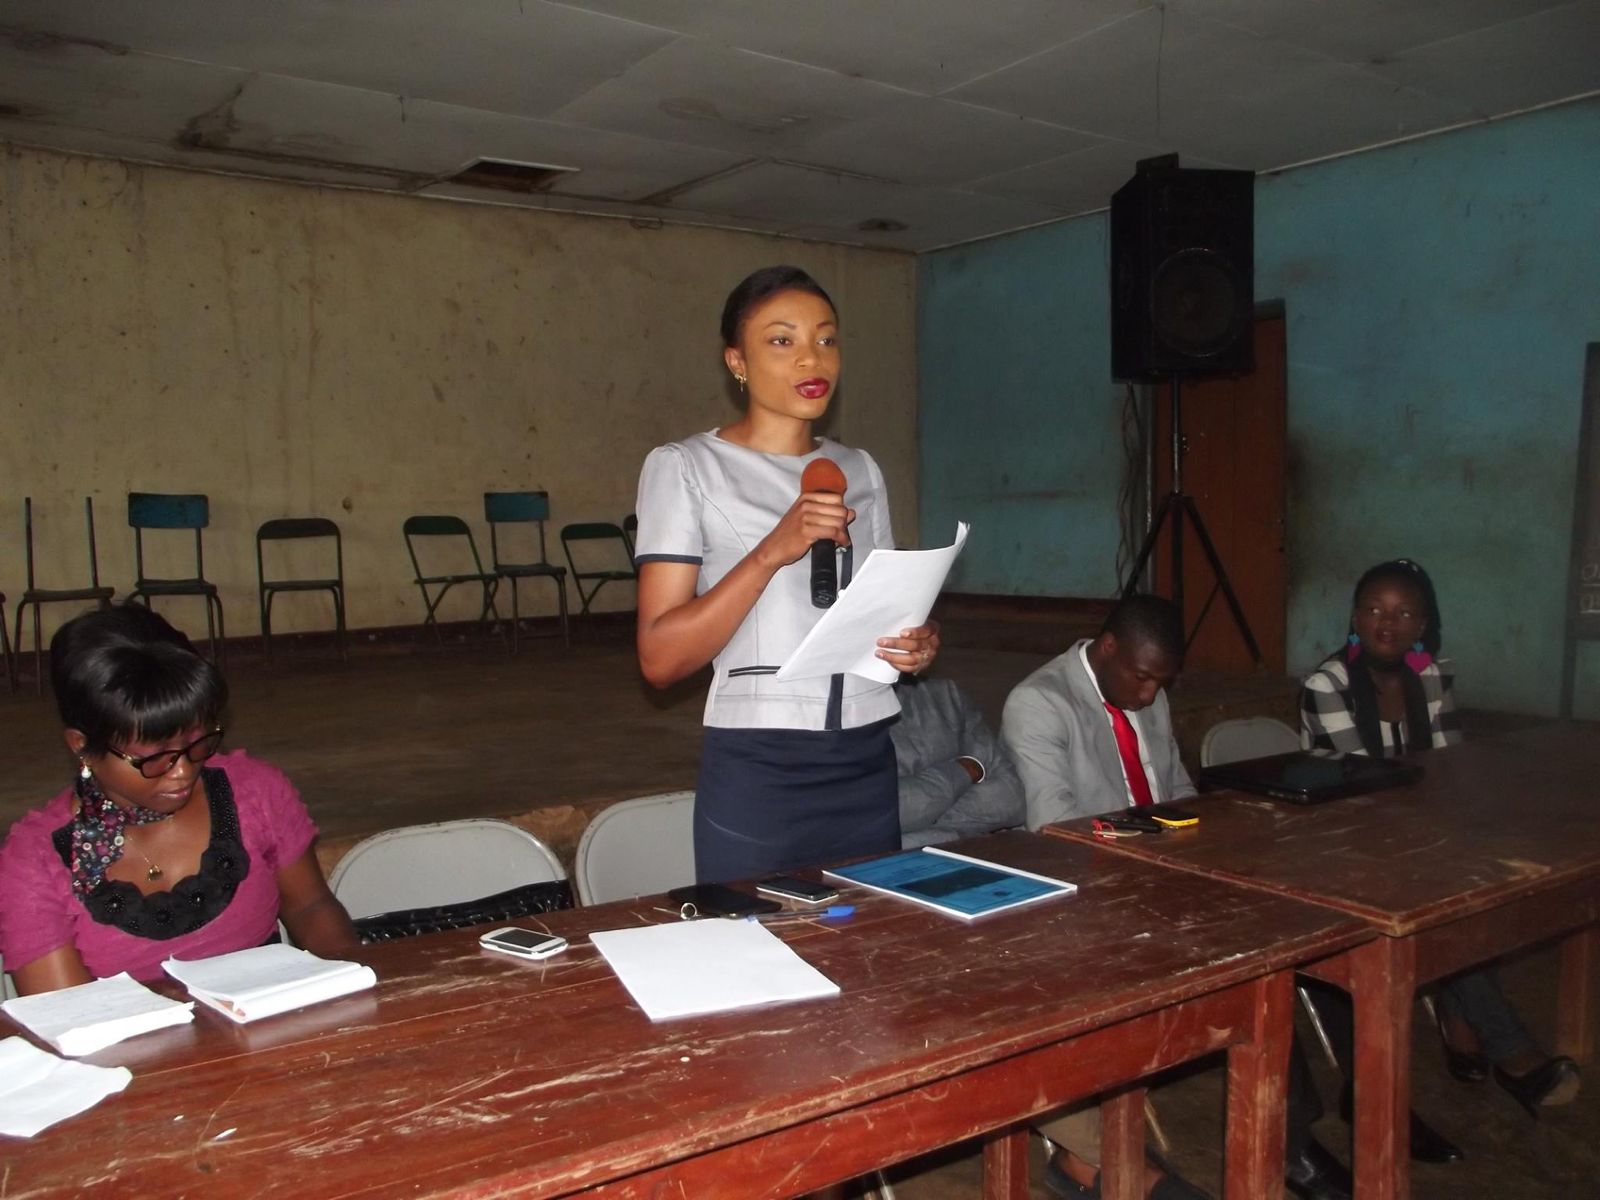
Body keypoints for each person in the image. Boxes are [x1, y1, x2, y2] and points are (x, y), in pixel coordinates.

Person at [633, 265, 940, 884]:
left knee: (872, 938)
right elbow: (660, 659)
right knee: (759, 937)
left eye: (826, 339)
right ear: (736, 361)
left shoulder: (860, 469)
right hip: (763, 764)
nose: (811, 358)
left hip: (867, 755)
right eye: (782, 340)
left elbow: (885, 610)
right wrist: (772, 550)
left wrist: (917, 644)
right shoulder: (687, 468)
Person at [1301, 559, 1580, 1118]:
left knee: (1480, 876)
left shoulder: (1429, 674)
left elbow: (1452, 766)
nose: (1387, 623)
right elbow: (1365, 782)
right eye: (1374, 610)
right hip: (1340, 842)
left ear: (1423, 624)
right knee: (1436, 893)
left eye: (1403, 613)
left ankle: (1460, 1012)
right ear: (1355, 617)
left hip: (1417, 833)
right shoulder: (1326, 684)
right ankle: (1509, 1049)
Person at [0, 604, 358, 995]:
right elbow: (70, 1014)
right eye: (153, 758)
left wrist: (349, 983)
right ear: (82, 746)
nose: (183, 771)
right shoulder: (36, 861)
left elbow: (310, 907)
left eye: (197, 743)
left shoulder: (254, 792)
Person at [1000, 595, 1216, 1200]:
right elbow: (1057, 830)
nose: (1149, 694)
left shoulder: (1148, 693)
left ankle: (1290, 1134)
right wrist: (1154, 859)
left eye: (1161, 682)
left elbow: (1177, 791)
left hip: (1151, 878)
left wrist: (1203, 852)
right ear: (1108, 646)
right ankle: (1097, 1157)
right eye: (1142, 677)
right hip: (1079, 891)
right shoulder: (1040, 702)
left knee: (1263, 948)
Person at [891, 674, 1024, 848]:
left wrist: (924, 823)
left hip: (969, 851)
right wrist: (963, 770)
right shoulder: (855, 717)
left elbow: (1010, 798)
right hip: (882, 861)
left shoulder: (945, 694)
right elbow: (884, 813)